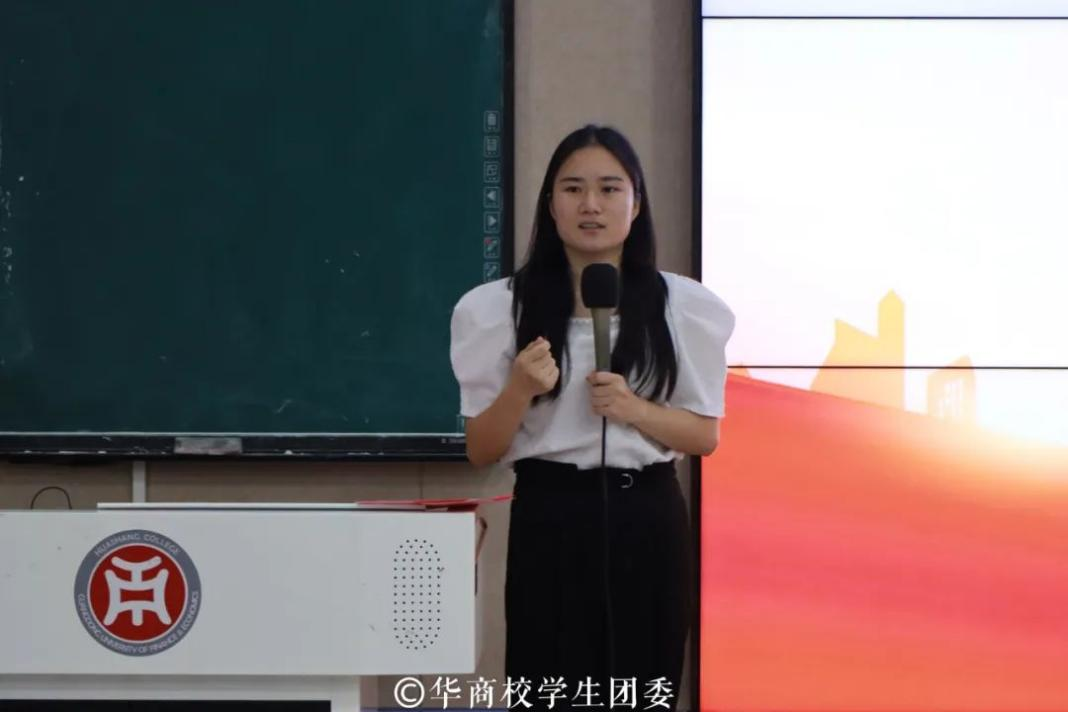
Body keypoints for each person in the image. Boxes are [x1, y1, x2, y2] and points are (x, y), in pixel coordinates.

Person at [450, 125, 733, 709]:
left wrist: (634, 410)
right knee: (548, 686)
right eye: (573, 189)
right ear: (550, 204)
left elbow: (704, 436)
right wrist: (519, 389)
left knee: (642, 687)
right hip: (549, 517)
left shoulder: (682, 306)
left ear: (636, 203)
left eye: (609, 188)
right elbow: (481, 449)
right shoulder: (499, 308)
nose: (591, 205)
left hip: (646, 516)